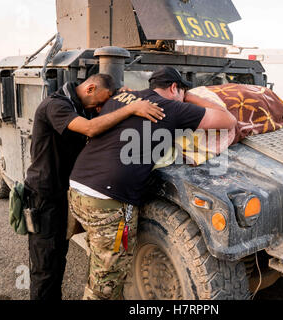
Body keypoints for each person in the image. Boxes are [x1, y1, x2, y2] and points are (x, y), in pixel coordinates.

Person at [68, 67, 237, 300]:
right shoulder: (173, 107)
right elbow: (229, 120)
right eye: (182, 91)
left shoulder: (122, 97)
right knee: (109, 274)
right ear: (174, 88)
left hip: (78, 187)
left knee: (101, 255)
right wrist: (189, 97)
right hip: (109, 202)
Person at [24, 73, 165, 300]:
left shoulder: (80, 104)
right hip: (44, 196)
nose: (101, 107)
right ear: (90, 89)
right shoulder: (56, 105)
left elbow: (100, 115)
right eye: (102, 100)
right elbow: (90, 128)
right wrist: (130, 109)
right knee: (45, 264)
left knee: (59, 256)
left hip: (63, 193)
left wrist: (121, 98)